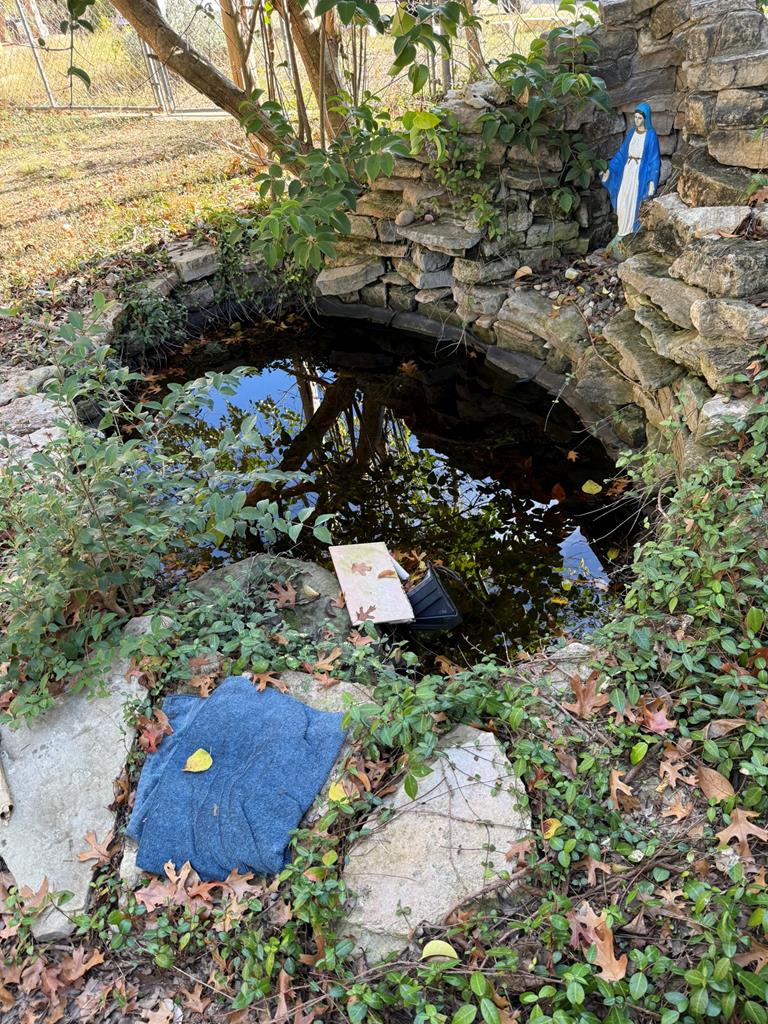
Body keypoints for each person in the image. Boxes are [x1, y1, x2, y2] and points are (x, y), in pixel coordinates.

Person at [600, 102, 661, 239]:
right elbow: (622, 153)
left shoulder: (651, 136)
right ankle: (621, 231)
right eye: (636, 117)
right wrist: (610, 169)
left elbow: (654, 160)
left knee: (634, 201)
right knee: (623, 200)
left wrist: (652, 180)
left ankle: (629, 232)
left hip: (639, 174)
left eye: (640, 118)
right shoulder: (631, 133)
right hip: (627, 172)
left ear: (646, 119)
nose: (637, 120)